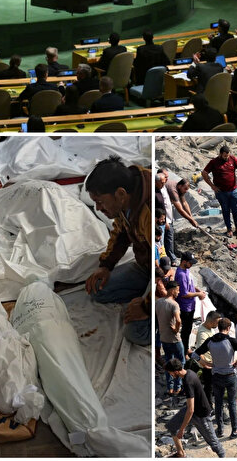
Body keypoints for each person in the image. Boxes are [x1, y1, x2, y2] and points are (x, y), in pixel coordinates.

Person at [84, 157, 151, 345]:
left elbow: (165, 268)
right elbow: (120, 233)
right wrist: (106, 265)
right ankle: (144, 294)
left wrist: (146, 306)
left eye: (100, 202)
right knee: (98, 290)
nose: (98, 209)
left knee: (135, 334)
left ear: (120, 194)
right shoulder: (126, 201)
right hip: (145, 267)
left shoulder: (151, 211)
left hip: (160, 275)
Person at [196, 318, 237, 440]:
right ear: (229, 328)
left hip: (216, 376)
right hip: (230, 376)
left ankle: (220, 430)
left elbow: (194, 354)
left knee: (218, 403)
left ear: (218, 327)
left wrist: (206, 364)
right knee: (232, 403)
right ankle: (235, 431)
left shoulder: (210, 341)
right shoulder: (231, 341)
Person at [163, 357, 225, 458]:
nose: (171, 375)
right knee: (171, 426)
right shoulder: (189, 372)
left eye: (171, 373)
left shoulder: (188, 381)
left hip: (202, 415)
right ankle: (180, 453)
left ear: (176, 371)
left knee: (214, 442)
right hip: (193, 409)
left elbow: (190, 410)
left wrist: (182, 429)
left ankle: (223, 456)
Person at [201, 145, 237, 238]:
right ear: (220, 154)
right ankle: (229, 229)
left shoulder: (232, 159)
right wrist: (212, 186)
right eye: (225, 156)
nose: (227, 157)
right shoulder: (214, 162)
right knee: (225, 210)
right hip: (221, 192)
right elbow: (204, 173)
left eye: (228, 155)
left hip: (233, 190)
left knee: (236, 210)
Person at [156, 279, 183, 399]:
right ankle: (178, 387)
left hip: (163, 338)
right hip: (174, 339)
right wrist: (176, 329)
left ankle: (170, 388)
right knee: (181, 362)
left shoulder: (158, 302)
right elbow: (178, 320)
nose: (178, 292)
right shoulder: (174, 304)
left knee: (168, 362)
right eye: (177, 290)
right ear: (172, 290)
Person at [175, 252, 206, 354]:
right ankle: (184, 351)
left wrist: (198, 290)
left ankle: (186, 347)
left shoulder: (186, 271)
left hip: (190, 305)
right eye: (190, 263)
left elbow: (190, 285)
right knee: (186, 330)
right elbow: (184, 294)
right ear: (184, 262)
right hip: (185, 307)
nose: (191, 265)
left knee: (188, 329)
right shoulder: (181, 275)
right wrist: (198, 294)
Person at [155, 169, 177, 265]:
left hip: (163, 221)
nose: (164, 183)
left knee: (163, 243)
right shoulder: (154, 192)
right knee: (159, 243)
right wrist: (163, 220)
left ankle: (164, 261)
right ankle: (160, 263)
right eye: (162, 182)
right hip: (159, 222)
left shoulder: (161, 189)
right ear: (156, 182)